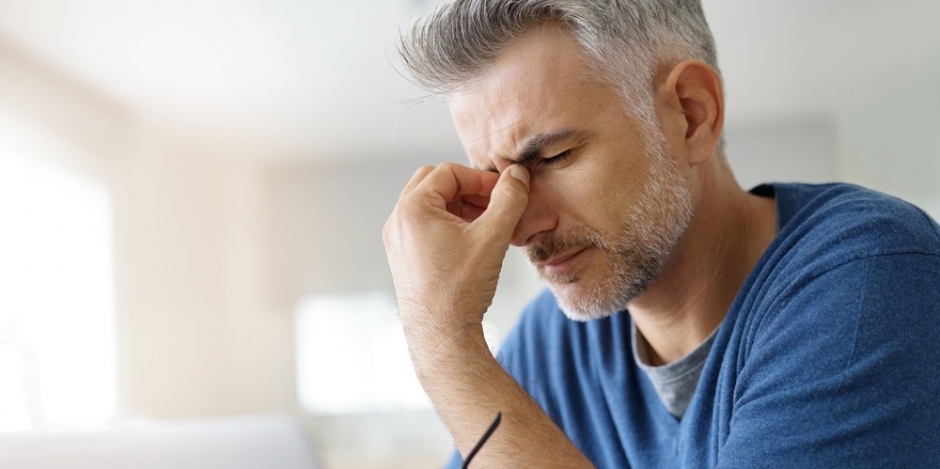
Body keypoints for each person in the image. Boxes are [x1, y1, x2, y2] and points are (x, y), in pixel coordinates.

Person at [382, 1, 940, 467]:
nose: (520, 228)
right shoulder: (546, 349)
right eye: (497, 181)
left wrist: (444, 342)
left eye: (554, 156)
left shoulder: (873, 277)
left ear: (692, 116)